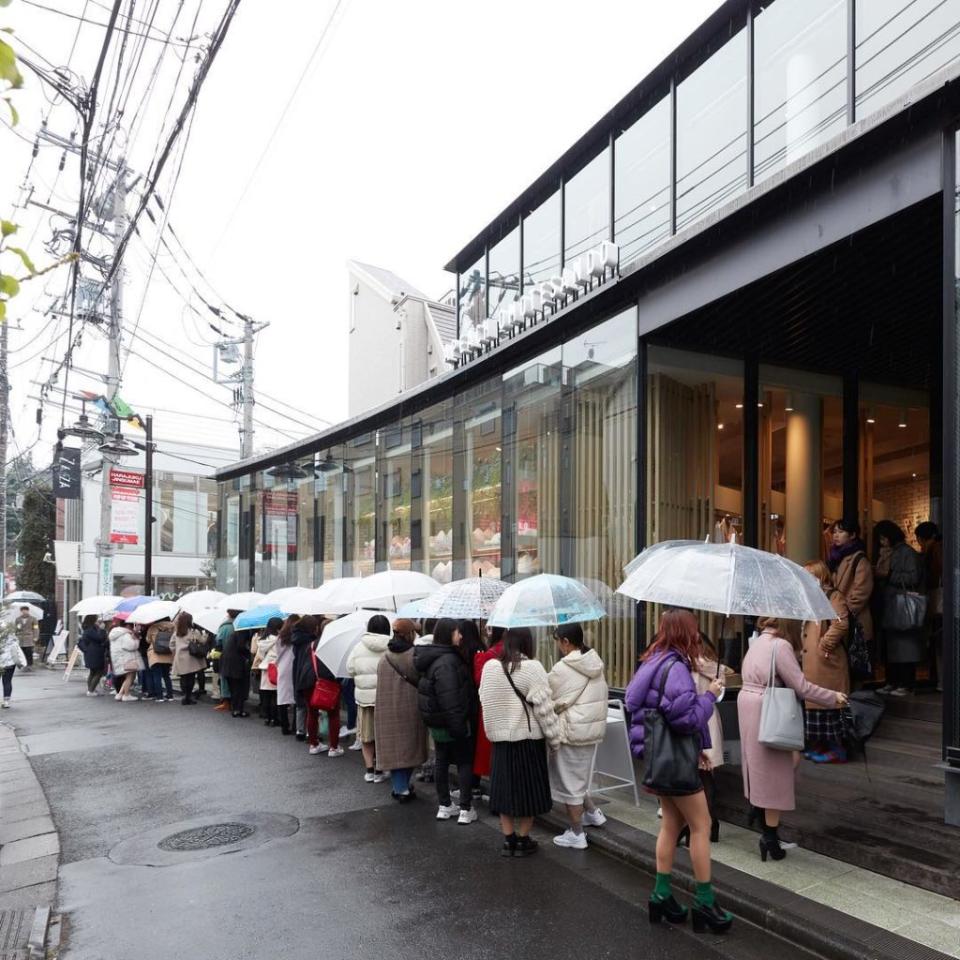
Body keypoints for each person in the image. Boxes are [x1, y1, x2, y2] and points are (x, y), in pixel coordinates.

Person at [625, 610, 730, 933]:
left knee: (671, 825)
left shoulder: (654, 661)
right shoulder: (678, 669)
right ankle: (705, 902)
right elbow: (685, 718)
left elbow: (656, 711)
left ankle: (661, 895)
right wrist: (710, 695)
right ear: (687, 633)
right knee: (701, 825)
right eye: (694, 631)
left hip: (661, 758)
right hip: (675, 762)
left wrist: (698, 748)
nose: (698, 636)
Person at [738, 617, 847, 863]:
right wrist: (833, 697)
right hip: (768, 708)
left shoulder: (757, 642)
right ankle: (770, 837)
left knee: (760, 766)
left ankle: (758, 810)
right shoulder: (781, 645)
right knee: (775, 773)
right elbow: (802, 687)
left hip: (748, 704)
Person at [478, 627, 562, 858]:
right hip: (528, 741)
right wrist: (555, 740)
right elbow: (545, 709)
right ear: (527, 643)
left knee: (504, 790)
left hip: (501, 742)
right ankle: (524, 840)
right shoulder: (533, 668)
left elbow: (484, 699)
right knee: (529, 791)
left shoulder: (490, 667)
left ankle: (508, 840)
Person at [547, 622, 609, 849]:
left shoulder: (564, 668)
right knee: (579, 778)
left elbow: (549, 697)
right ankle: (593, 814)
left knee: (570, 785)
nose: (558, 646)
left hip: (571, 732)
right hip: (590, 731)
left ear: (565, 641)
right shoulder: (594, 662)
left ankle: (577, 834)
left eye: (558, 642)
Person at [414, 618, 479, 824]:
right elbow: (450, 698)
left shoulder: (432, 658)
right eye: (457, 632)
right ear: (448, 634)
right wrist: (460, 726)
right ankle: (465, 809)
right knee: (464, 762)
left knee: (442, 760)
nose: (460, 636)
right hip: (454, 721)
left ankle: (444, 805)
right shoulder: (448, 662)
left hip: (437, 722)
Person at [801, 561, 851, 763]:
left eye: (809, 575)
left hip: (827, 663)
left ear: (820, 577)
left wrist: (823, 645)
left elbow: (841, 624)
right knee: (815, 705)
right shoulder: (808, 598)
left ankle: (836, 750)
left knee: (829, 705)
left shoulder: (834, 596)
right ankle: (820, 746)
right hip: (812, 664)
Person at [374, 618, 426, 801]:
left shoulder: (384, 657)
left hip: (386, 710)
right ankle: (401, 787)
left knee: (394, 750)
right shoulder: (414, 655)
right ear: (410, 634)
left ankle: (400, 787)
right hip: (411, 709)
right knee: (410, 749)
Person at [873, 520, 924, 696]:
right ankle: (892, 681)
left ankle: (906, 683)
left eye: (884, 537)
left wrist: (889, 575)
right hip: (889, 604)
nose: (882, 542)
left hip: (900, 603)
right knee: (890, 646)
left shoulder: (906, 553)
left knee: (904, 645)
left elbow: (913, 577)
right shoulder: (886, 553)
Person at [691, 634, 731, 843]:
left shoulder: (685, 664)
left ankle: (704, 825)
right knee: (705, 776)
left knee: (699, 776)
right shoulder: (716, 668)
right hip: (709, 718)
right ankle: (710, 824)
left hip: (697, 718)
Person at [347, 614, 391, 783]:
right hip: (385, 699)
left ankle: (369, 771)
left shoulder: (358, 647)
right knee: (382, 735)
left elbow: (350, 669)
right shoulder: (391, 646)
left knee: (366, 736)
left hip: (364, 700)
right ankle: (380, 769)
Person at [828, 519, 874, 679]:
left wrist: (844, 611)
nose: (836, 535)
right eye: (834, 532)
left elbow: (862, 591)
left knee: (855, 665)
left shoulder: (859, 559)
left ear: (853, 535)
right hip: (839, 617)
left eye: (840, 532)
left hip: (855, 619)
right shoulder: (835, 557)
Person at [295, 616, 342, 756]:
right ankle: (334, 747)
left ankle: (314, 745)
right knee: (333, 714)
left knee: (312, 712)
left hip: (308, 681)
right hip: (327, 681)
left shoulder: (311, 644)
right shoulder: (335, 645)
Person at [473, 625, 504, 786]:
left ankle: (496, 794)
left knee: (490, 752)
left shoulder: (488, 655)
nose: (487, 632)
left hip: (490, 707)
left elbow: (480, 681)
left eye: (490, 629)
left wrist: (478, 659)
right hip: (508, 709)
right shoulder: (513, 651)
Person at [915, 521, 944, 691]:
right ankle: (940, 680)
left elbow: (938, 573)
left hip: (938, 599)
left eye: (919, 539)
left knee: (940, 641)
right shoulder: (938, 547)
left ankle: (941, 681)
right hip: (939, 600)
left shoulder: (935, 548)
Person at [170, 611, 208, 705]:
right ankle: (188, 697)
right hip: (191, 658)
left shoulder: (177, 633)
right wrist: (205, 635)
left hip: (180, 658)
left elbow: (171, 645)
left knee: (183, 678)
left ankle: (184, 696)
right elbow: (202, 641)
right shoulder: (193, 632)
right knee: (191, 678)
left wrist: (176, 652)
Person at [253, 617, 282, 725]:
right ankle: (275, 718)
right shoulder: (278, 639)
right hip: (275, 668)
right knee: (275, 695)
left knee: (266, 695)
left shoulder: (262, 639)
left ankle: (267, 717)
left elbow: (260, 655)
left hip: (265, 669)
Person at [220, 625, 253, 717]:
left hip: (227, 664)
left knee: (234, 688)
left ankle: (235, 709)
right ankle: (239, 710)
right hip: (236, 665)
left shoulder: (234, 633)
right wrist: (248, 651)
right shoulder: (242, 632)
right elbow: (241, 646)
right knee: (239, 688)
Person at [275, 615, 300, 736]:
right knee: (296, 698)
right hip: (294, 667)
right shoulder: (297, 637)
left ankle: (284, 727)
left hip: (283, 668)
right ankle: (296, 726)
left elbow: (277, 653)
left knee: (282, 698)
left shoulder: (280, 637)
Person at [108, 618, 143, 702]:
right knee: (130, 677)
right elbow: (131, 646)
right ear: (127, 625)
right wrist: (136, 640)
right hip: (127, 658)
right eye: (131, 626)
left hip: (119, 657)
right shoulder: (125, 634)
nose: (131, 627)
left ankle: (120, 694)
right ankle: (126, 695)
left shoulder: (116, 633)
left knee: (128, 677)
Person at [213, 610, 240, 712]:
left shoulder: (223, 627)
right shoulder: (240, 626)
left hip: (224, 656)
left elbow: (218, 642)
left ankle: (226, 702)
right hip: (239, 658)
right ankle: (236, 704)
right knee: (237, 682)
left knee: (225, 679)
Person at [77, 615, 109, 697]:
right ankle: (91, 690)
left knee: (93, 672)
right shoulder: (90, 630)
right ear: (92, 620)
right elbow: (100, 639)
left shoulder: (87, 629)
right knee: (99, 672)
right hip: (95, 653)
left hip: (90, 653)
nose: (98, 622)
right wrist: (102, 630)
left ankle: (90, 689)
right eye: (96, 620)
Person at [145, 618, 175, 702]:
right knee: (166, 676)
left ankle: (160, 696)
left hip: (156, 655)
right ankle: (170, 695)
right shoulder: (173, 627)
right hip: (168, 654)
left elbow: (148, 640)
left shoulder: (153, 627)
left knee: (157, 676)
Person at [0, 626, 27, 707]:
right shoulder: (12, 638)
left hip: (1, 662)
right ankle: (6, 702)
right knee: (7, 681)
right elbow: (16, 646)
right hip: (10, 662)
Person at [12, 606, 37, 672]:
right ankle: (24, 665)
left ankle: (30, 665)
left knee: (29, 652)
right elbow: (15, 629)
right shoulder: (18, 619)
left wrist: (35, 637)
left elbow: (36, 628)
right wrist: (15, 635)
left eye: (25, 610)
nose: (24, 612)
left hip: (29, 638)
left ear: (28, 611)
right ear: (21, 611)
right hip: (20, 638)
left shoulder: (33, 619)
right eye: (22, 610)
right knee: (21, 652)